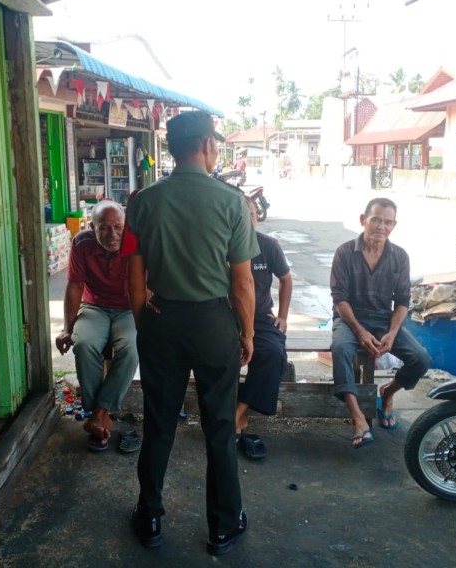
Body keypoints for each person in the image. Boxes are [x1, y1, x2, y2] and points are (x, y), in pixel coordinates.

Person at [123, 111, 259, 556]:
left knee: (159, 423)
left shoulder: (142, 201)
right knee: (219, 426)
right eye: (215, 143)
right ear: (204, 144)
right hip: (213, 323)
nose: (216, 149)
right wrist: (249, 332)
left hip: (162, 318)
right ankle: (223, 526)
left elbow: (135, 272)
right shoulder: (231, 201)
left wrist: (146, 321)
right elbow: (242, 282)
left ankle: (151, 516)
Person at [329, 197, 431, 449]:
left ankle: (387, 393)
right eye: (375, 220)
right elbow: (340, 300)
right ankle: (358, 417)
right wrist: (360, 331)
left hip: (383, 320)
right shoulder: (344, 252)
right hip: (349, 317)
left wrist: (393, 333)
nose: (380, 227)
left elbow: (403, 302)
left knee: (421, 358)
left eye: (387, 222)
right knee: (340, 349)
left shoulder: (399, 257)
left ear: (394, 226)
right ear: (363, 220)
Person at [55, 200, 139, 453]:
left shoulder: (135, 242)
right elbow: (75, 286)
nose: (112, 235)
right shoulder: (81, 243)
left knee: (131, 347)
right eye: (103, 227)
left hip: (128, 308)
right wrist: (68, 327)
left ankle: (98, 415)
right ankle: (98, 414)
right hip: (95, 307)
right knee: (84, 342)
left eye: (117, 227)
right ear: (92, 227)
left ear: (126, 226)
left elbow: (148, 281)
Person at [235, 196, 292, 460]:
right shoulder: (223, 245)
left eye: (252, 214)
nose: (248, 218)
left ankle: (238, 413)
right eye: (242, 214)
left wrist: (282, 316)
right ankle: (230, 414)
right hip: (228, 318)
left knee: (274, 354)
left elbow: (286, 279)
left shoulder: (268, 245)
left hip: (260, 318)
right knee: (219, 356)